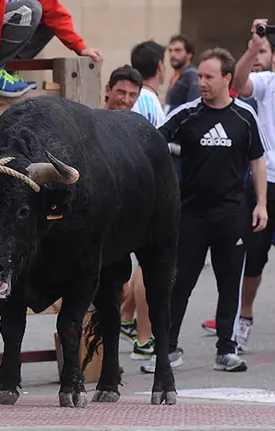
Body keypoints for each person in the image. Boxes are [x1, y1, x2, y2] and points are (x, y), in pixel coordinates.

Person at [141, 47, 270, 374]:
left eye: (209, 77)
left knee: (230, 283)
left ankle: (226, 350)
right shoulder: (186, 114)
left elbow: (257, 160)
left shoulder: (245, 115)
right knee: (179, 283)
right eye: (200, 76)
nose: (202, 83)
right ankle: (167, 349)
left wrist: (262, 205)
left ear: (228, 78)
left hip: (232, 214)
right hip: (192, 214)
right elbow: (153, 143)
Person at [202, 18, 275, 353]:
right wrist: (253, 47)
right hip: (267, 183)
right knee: (254, 258)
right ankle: (243, 319)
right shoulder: (267, 83)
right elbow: (239, 84)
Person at [118, 40, 168, 362]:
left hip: (133, 187)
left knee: (139, 262)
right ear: (160, 66)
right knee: (146, 263)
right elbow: (162, 146)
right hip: (141, 189)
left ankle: (125, 318)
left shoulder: (141, 98)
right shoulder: (147, 100)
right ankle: (143, 336)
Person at [0, 0, 103, 98]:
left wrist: (80, 47)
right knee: (31, 9)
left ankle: (8, 69)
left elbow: (54, 12)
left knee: (45, 18)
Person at [165, 34, 200, 113]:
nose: (172, 55)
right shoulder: (177, 76)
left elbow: (194, 107)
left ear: (189, 54)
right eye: (170, 50)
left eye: (178, 50)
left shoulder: (192, 75)